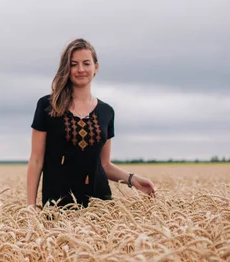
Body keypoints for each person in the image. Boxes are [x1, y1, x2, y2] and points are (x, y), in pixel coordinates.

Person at [26, 39, 156, 209]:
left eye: (86, 63)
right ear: (66, 68)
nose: (80, 69)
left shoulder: (106, 112)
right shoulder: (47, 106)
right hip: (57, 205)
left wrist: (134, 180)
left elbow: (104, 165)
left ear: (96, 67)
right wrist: (30, 205)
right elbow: (36, 159)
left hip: (99, 205)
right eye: (74, 64)